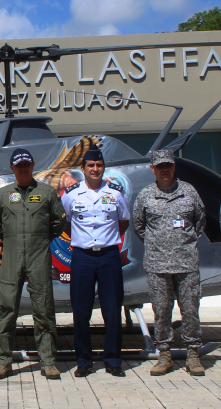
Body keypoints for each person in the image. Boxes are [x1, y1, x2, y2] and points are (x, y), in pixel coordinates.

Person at [0, 148, 66, 380]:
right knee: (7, 309)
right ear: (12, 168)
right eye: (18, 165)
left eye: (26, 164)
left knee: (43, 308)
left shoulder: (47, 193)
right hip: (12, 256)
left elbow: (59, 223)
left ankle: (48, 361)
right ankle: (3, 362)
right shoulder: (2, 195)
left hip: (39, 256)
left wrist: (40, 239)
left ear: (32, 165)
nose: (23, 168)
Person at [132, 149, 206, 376]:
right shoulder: (145, 195)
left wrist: (183, 244)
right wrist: (159, 245)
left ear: (174, 167)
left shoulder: (189, 192)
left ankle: (193, 354)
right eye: (160, 166)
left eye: (169, 165)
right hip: (157, 265)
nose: (165, 169)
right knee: (162, 311)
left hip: (187, 264)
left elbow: (199, 222)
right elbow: (138, 226)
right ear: (153, 169)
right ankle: (164, 354)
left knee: (191, 310)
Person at [62, 144, 129, 378]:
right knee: (81, 311)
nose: (95, 169)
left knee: (112, 310)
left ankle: (112, 360)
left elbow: (123, 223)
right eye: (90, 165)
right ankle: (83, 361)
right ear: (83, 168)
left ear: (104, 168)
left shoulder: (116, 194)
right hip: (82, 257)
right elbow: (67, 224)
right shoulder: (70, 196)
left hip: (109, 256)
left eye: (99, 165)